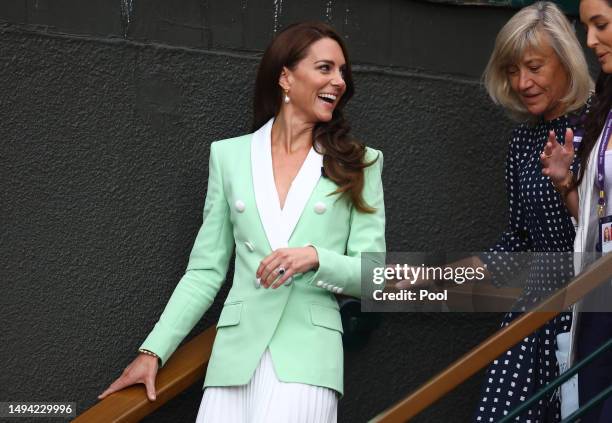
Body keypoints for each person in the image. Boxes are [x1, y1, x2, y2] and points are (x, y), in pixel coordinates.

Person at [98, 21, 386, 423]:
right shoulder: (229, 157)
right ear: (286, 76)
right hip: (234, 360)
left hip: (306, 360)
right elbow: (204, 271)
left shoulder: (361, 162)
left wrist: (315, 258)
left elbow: (376, 276)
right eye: (325, 68)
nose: (338, 81)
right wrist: (153, 351)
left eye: (342, 72)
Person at [467, 2, 592, 421]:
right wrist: (440, 279)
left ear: (566, 61)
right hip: (534, 309)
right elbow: (519, 239)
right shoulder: (522, 143)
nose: (523, 82)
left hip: (588, 304)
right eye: (512, 71)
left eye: (534, 67)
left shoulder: (599, 125)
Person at [540, 1, 612, 420]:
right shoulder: (604, 106)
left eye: (601, 25)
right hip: (598, 290)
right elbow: (595, 217)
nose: (590, 41)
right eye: (586, 27)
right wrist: (568, 184)